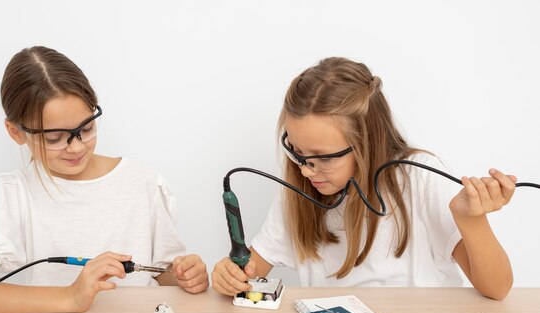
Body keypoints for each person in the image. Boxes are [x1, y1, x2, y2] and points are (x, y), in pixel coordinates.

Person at [211, 57, 515, 300]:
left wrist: (471, 219)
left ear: (368, 141)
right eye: (297, 151)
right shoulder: (299, 188)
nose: (306, 170)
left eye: (324, 157)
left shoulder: (418, 178)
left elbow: (497, 289)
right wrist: (231, 275)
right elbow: (250, 270)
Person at [0, 46, 208, 313]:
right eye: (54, 138)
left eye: (86, 128)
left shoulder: (142, 181)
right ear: (16, 132)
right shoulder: (8, 195)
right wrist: (71, 297)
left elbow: (164, 274)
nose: (76, 147)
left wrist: (187, 276)